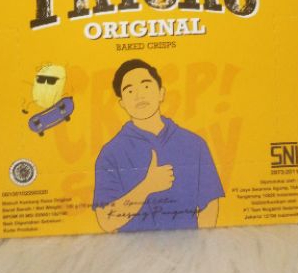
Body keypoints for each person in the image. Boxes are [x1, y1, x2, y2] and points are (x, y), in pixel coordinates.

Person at [93, 59, 224, 232]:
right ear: (122, 103)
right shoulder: (110, 153)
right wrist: (146, 187)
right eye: (130, 91)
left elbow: (210, 205)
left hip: (188, 246)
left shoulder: (194, 144)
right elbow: (105, 221)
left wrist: (199, 245)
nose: (139, 95)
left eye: (146, 86)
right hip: (134, 248)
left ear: (161, 93)